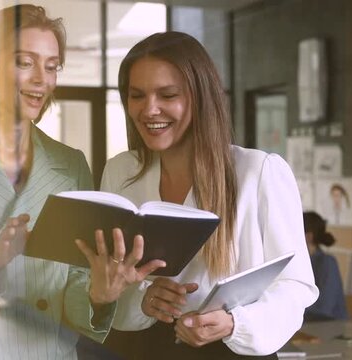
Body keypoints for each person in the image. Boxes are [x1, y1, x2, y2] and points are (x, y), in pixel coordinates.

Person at [0, 5, 164, 359]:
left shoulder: (70, 165)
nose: (42, 78)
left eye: (52, 66)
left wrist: (99, 295)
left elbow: (73, 284)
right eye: (25, 62)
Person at [99, 31, 319, 359]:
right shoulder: (121, 171)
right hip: (142, 349)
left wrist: (234, 323)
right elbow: (108, 283)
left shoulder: (259, 171)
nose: (150, 110)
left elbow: (296, 286)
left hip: (232, 351)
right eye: (137, 95)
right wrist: (143, 301)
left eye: (168, 94)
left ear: (200, 97)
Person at [303, 211, 348, 321]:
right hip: (310, 327)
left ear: (309, 237)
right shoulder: (301, 264)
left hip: (331, 329)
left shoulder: (327, 263)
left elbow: (324, 309)